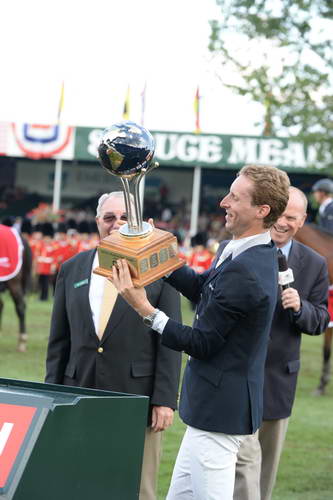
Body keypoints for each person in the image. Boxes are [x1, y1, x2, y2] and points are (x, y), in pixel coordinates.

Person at [110, 164, 291, 499]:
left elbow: (202, 343)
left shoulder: (248, 270)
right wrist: (156, 251)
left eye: (235, 198)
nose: (224, 202)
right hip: (210, 410)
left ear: (261, 210)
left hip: (220, 414)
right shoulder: (238, 250)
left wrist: (143, 309)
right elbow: (202, 289)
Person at [45, 191, 182, 500]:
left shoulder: (159, 269)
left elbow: (171, 340)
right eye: (109, 217)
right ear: (97, 222)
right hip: (78, 392)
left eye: (124, 217)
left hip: (137, 399)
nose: (116, 223)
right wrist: (51, 394)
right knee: (77, 480)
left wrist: (164, 399)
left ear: (138, 223)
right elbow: (59, 341)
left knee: (137, 487)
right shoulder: (72, 269)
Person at [234, 187, 330, 500]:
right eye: (281, 213)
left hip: (277, 380)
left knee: (264, 473)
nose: (283, 222)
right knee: (228, 466)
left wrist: (301, 308)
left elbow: (319, 319)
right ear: (268, 210)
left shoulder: (314, 264)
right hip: (233, 377)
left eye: (292, 217)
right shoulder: (238, 248)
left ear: (302, 221)